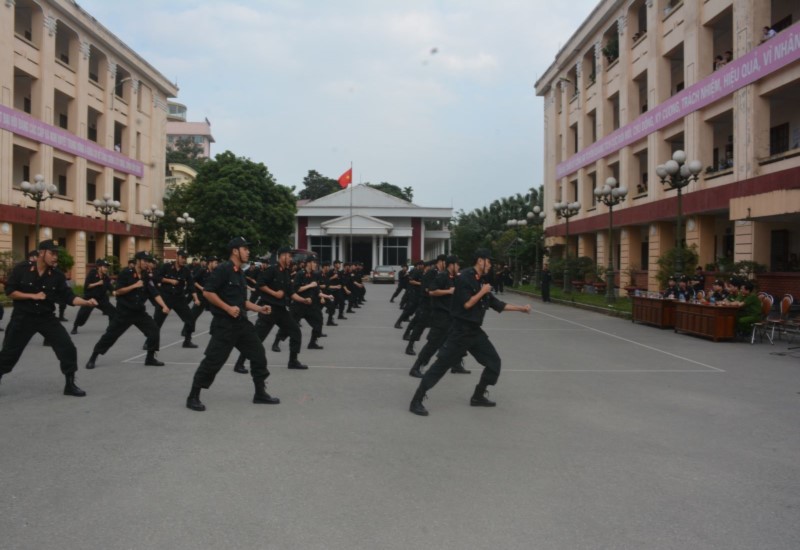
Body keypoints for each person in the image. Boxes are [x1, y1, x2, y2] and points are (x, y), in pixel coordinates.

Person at [409, 249, 532, 416]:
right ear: (480, 260)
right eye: (488, 261)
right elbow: (467, 304)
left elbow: (497, 304)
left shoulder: (481, 280)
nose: (490, 265)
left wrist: (521, 309)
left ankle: (478, 396)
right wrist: (483, 291)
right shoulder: (464, 278)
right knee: (440, 366)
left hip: (474, 331)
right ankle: (416, 400)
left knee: (494, 362)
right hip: (460, 331)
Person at [186, 237, 279, 411]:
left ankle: (260, 393)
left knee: (258, 354)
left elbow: (242, 302)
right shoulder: (223, 269)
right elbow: (207, 292)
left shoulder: (239, 273)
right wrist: (227, 308)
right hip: (224, 325)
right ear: (235, 251)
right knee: (213, 361)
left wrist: (260, 308)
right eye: (245, 249)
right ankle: (193, 396)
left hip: (241, 324)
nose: (248, 252)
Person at [0, 240, 97, 396]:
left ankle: (70, 384)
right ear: (41, 253)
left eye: (56, 254)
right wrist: (32, 296)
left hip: (46, 318)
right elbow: (10, 291)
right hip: (23, 317)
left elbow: (69, 297)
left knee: (67, 348)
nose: (55, 257)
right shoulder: (22, 269)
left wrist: (86, 302)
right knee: (9, 354)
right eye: (52, 253)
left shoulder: (57, 275)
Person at [85, 251, 169, 369]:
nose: (147, 263)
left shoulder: (146, 275)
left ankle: (150, 358)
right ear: (138, 261)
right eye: (144, 261)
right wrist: (134, 285)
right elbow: (118, 291)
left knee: (154, 330)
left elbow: (154, 292)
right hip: (124, 312)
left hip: (139, 312)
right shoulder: (126, 273)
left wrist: (164, 306)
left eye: (148, 261)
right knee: (110, 335)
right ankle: (93, 357)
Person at [233, 246, 307, 372]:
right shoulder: (272, 270)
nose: (290, 259)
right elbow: (260, 284)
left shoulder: (286, 272)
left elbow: (291, 293)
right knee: (257, 339)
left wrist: (303, 300)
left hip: (281, 310)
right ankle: (239, 364)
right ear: (282, 256)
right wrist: (274, 293)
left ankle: (293, 361)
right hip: (268, 310)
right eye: (289, 256)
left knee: (295, 332)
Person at [409, 255, 469, 378]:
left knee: (457, 342)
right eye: (457, 265)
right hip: (441, 318)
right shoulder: (442, 276)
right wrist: (448, 291)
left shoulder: (454, 278)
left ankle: (456, 365)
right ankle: (416, 368)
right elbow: (431, 291)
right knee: (433, 344)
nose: (459, 267)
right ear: (451, 265)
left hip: (452, 317)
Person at [152, 249, 200, 348]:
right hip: (166, 297)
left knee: (190, 319)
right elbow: (156, 277)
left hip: (179, 298)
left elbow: (191, 285)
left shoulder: (186, 270)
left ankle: (187, 341)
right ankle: (149, 342)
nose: (184, 260)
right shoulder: (167, 266)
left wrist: (196, 299)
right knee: (157, 322)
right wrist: (169, 281)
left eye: (185, 258)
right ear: (177, 257)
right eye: (182, 257)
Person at [71, 259, 116, 334]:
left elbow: (110, 287)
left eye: (107, 267)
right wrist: (97, 283)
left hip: (101, 299)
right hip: (90, 298)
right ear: (99, 267)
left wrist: (114, 292)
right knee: (82, 314)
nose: (106, 269)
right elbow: (87, 286)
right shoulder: (92, 273)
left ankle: (110, 328)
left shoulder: (106, 277)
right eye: (105, 267)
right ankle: (75, 327)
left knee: (113, 312)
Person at [394, 259, 424, 329]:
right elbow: (411, 280)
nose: (423, 266)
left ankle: (407, 320)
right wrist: (421, 283)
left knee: (414, 310)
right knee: (409, 309)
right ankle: (398, 322)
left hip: (417, 293)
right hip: (412, 292)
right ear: (419, 265)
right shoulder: (415, 271)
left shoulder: (420, 271)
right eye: (422, 265)